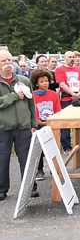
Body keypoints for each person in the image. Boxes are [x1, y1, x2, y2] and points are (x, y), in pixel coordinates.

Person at [0, 50, 38, 200]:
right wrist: (14, 96)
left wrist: (33, 123)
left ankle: (30, 187)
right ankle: (2, 189)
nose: (8, 63)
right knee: (2, 160)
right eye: (4, 61)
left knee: (26, 159)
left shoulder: (24, 80)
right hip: (3, 128)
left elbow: (31, 103)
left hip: (23, 127)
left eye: (10, 60)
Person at [30, 69, 61, 181]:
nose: (45, 83)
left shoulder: (54, 94)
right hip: (39, 124)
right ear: (36, 83)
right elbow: (32, 110)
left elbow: (58, 109)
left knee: (52, 147)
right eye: (42, 81)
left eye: (47, 81)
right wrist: (38, 121)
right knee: (39, 148)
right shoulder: (33, 96)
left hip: (51, 124)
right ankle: (39, 170)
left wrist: (51, 120)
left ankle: (54, 169)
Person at [54, 51, 80, 153]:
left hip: (78, 98)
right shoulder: (60, 70)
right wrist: (72, 93)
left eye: (73, 57)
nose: (72, 59)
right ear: (65, 58)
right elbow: (62, 84)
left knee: (79, 123)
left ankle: (79, 145)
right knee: (66, 124)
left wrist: (79, 94)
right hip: (66, 98)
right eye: (69, 57)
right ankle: (67, 147)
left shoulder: (79, 70)